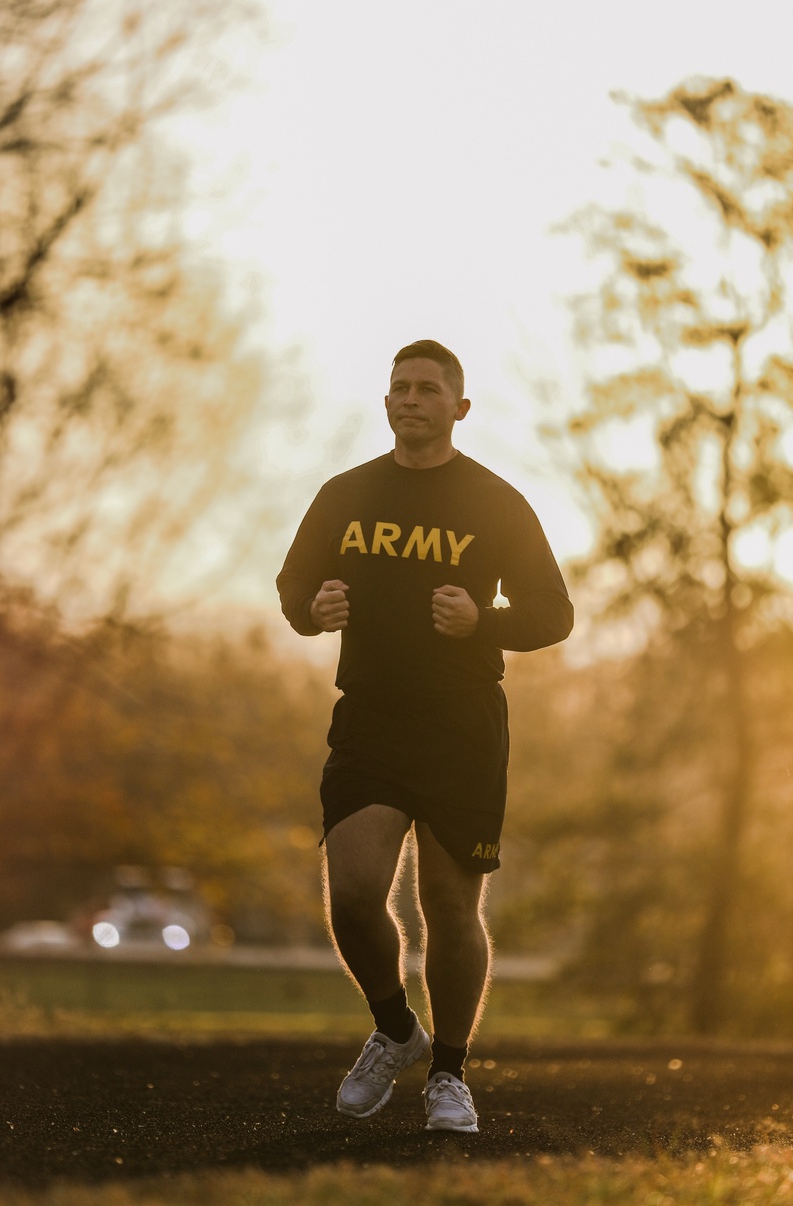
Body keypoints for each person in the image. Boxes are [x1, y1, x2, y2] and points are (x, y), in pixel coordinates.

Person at [276, 340, 573, 1133]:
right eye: (400, 388)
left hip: (461, 728)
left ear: (459, 408)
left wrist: (485, 622)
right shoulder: (344, 493)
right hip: (370, 718)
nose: (412, 399)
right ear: (387, 403)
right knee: (354, 897)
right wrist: (315, 608)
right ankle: (395, 1028)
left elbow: (554, 612)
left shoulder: (495, 503)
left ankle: (450, 1073)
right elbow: (293, 583)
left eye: (429, 389)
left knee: (448, 902)